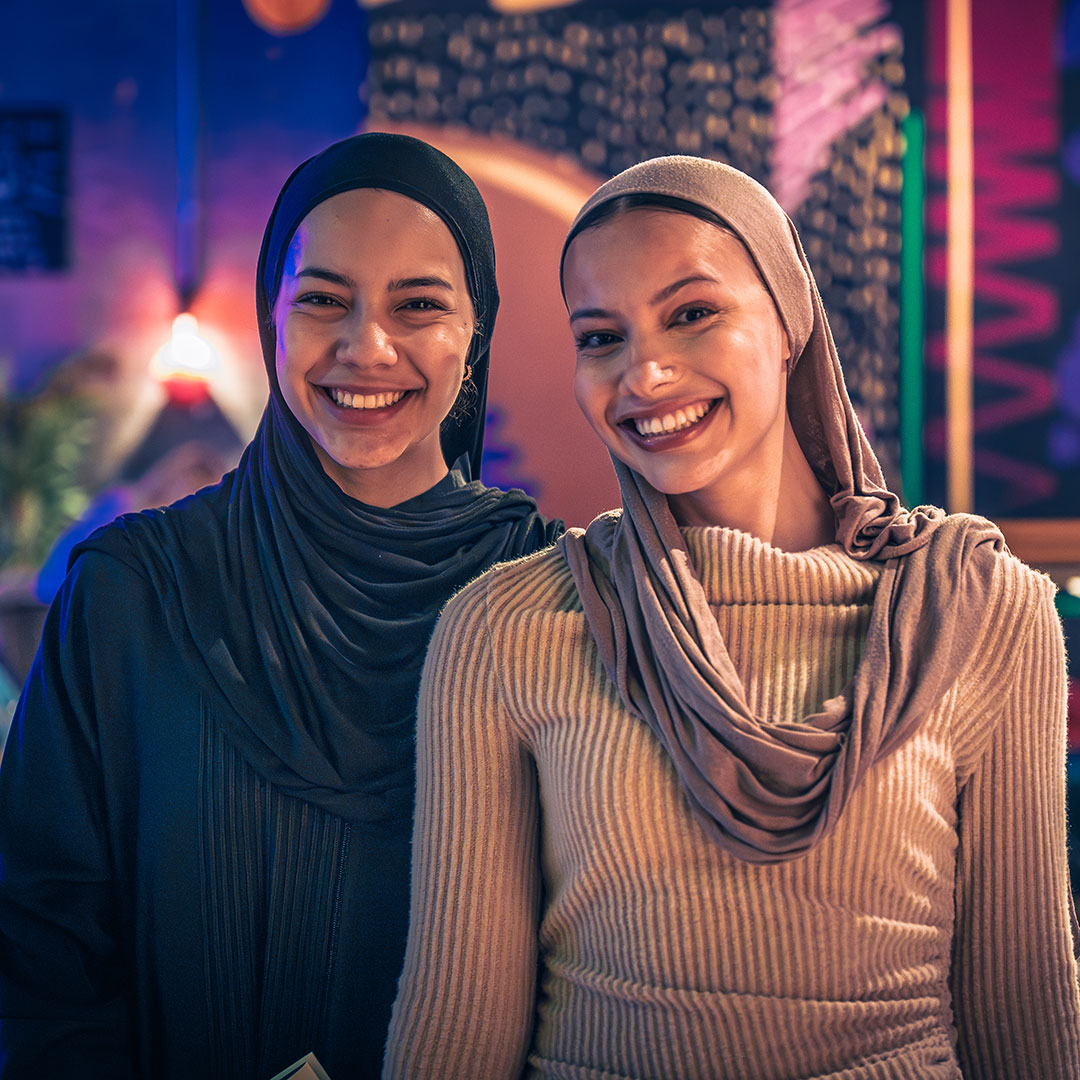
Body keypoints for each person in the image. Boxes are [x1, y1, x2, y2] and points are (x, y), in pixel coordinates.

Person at [383, 155, 1080, 1079]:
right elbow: (453, 1035)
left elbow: (1024, 1018)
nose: (646, 371)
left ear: (790, 320)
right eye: (600, 336)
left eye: (692, 313)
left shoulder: (978, 611)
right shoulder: (503, 630)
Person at [0, 132, 561, 1078]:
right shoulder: (133, 593)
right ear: (272, 318)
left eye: (418, 304)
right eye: (323, 299)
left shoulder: (545, 596)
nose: (365, 346)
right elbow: (40, 946)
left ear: (477, 333)